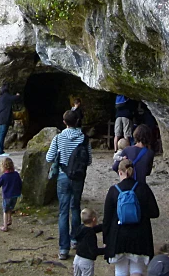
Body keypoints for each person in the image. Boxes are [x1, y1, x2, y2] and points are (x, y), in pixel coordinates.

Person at [46, 109, 93, 260]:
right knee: (76, 207)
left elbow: (49, 157)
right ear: (77, 121)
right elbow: (89, 161)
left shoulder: (59, 138)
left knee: (63, 211)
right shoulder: (84, 139)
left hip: (63, 176)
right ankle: (75, 240)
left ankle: (63, 248)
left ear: (64, 122)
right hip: (78, 178)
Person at [102, 158, 160, 276]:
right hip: (140, 235)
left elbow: (107, 219)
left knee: (120, 271)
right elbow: (155, 212)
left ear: (120, 172)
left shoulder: (113, 190)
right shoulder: (143, 188)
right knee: (137, 271)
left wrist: (106, 239)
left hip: (119, 236)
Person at [0, 157, 22, 232]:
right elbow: (20, 183)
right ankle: (9, 219)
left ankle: (5, 226)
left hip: (7, 196)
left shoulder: (3, 177)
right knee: (10, 208)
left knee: (5, 210)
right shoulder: (16, 174)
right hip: (15, 195)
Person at [71, 208, 104, 276]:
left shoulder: (81, 228)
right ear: (94, 219)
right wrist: (107, 250)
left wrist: (104, 226)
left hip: (77, 258)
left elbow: (94, 229)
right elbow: (94, 251)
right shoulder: (91, 234)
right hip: (86, 261)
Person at [0, 83, 21, 156]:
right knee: (2, 135)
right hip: (5, 118)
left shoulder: (1, 97)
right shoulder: (6, 96)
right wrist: (17, 95)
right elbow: (14, 98)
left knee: (0, 134)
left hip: (0, 118)